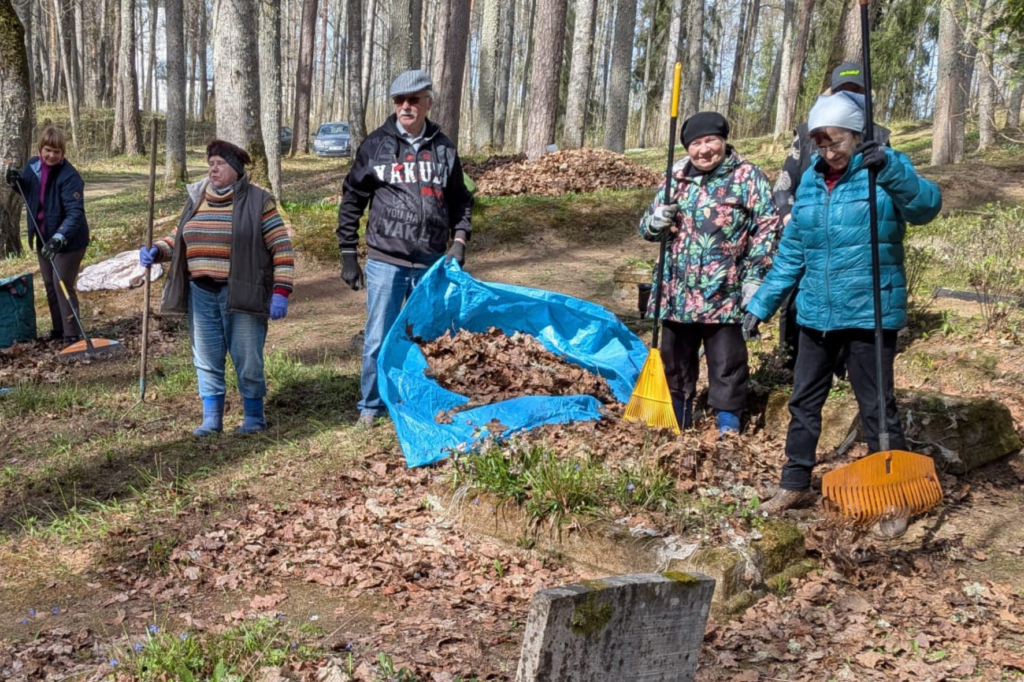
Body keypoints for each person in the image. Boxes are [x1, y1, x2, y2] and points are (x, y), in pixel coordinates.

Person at [744, 92, 941, 536]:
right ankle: (794, 483)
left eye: (836, 142)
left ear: (856, 135)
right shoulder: (812, 181)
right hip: (816, 313)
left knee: (877, 407)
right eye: (820, 144)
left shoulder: (884, 168)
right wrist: (760, 306)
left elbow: (927, 206)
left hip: (869, 312)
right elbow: (794, 251)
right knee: (803, 402)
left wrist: (889, 168)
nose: (829, 153)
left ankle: (894, 495)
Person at [336, 69, 473, 429]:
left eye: (414, 100)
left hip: (430, 261)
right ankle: (370, 405)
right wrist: (348, 253)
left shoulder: (444, 148)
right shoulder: (376, 146)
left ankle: (423, 401)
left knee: (428, 335)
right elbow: (352, 198)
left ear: (428, 102)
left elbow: (461, 200)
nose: (406, 107)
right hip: (386, 260)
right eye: (400, 101)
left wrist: (459, 241)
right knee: (378, 335)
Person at [638, 111, 780, 436]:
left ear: (724, 140)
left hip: (724, 290)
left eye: (710, 141)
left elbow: (767, 228)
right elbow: (647, 229)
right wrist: (654, 222)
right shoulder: (675, 179)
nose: (704, 150)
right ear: (687, 147)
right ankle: (678, 416)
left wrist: (756, 275)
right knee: (674, 359)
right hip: (677, 291)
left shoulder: (748, 177)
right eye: (696, 143)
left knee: (727, 361)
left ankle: (727, 421)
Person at [139, 140, 294, 436]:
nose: (213, 168)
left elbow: (282, 249)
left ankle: (254, 417)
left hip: (243, 293)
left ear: (236, 170)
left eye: (220, 163)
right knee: (206, 357)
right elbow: (177, 237)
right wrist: (157, 251)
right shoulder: (197, 199)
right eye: (210, 163)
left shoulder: (258, 201)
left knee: (247, 356)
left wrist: (281, 292)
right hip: (201, 293)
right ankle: (212, 419)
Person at [772, 62, 892, 370]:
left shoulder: (878, 135)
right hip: (806, 227)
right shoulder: (807, 131)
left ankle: (842, 365)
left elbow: (888, 187)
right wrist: (788, 217)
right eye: (844, 91)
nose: (850, 96)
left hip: (852, 237)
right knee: (795, 297)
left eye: (857, 91)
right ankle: (790, 358)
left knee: (847, 299)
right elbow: (784, 183)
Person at [5, 125, 89, 344]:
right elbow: (27, 190)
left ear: (63, 153)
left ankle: (73, 334)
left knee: (62, 283)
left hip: (68, 241)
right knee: (50, 284)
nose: (51, 155)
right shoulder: (33, 166)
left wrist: (59, 237)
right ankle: (58, 329)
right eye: (48, 150)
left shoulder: (69, 176)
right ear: (40, 149)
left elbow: (75, 212)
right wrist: (14, 181)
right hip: (43, 237)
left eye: (57, 152)